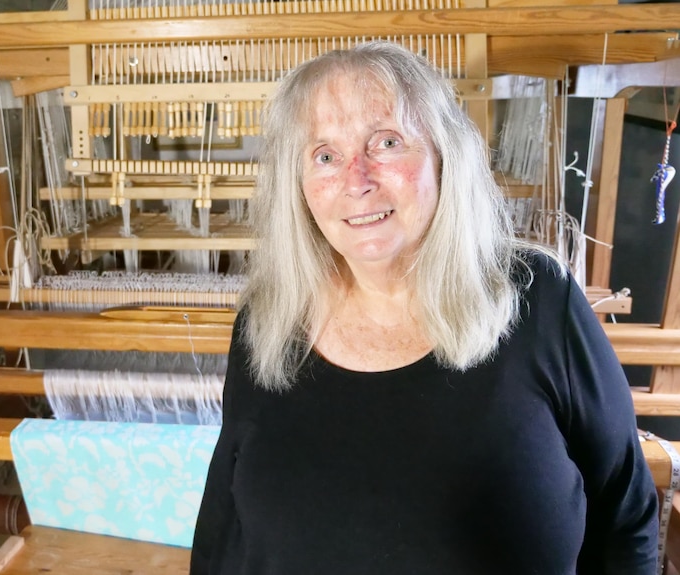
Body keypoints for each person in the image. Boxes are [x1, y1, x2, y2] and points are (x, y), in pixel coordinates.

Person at [190, 41, 658, 574]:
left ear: (443, 155)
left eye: (386, 142)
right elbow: (223, 524)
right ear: (297, 186)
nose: (356, 180)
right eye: (325, 155)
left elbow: (625, 518)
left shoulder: (539, 300)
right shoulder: (267, 320)